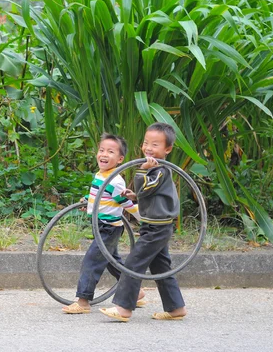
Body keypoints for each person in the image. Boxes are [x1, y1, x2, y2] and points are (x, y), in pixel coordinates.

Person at [100, 122, 187, 322]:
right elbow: (149, 193)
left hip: (157, 228)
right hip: (155, 225)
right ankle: (176, 308)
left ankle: (123, 308)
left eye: (155, 145)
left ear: (168, 149)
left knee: (132, 264)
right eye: (146, 143)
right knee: (161, 268)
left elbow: (147, 186)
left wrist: (142, 170)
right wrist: (134, 195)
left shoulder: (161, 170)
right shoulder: (155, 171)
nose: (148, 148)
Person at [62, 133, 146, 314]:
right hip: (101, 225)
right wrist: (88, 202)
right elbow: (99, 196)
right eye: (101, 150)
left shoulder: (115, 181)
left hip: (109, 229)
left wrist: (144, 218)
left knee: (91, 261)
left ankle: (83, 301)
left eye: (110, 151)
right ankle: (135, 292)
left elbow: (126, 204)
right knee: (112, 262)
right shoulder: (100, 175)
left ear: (120, 159)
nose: (104, 154)